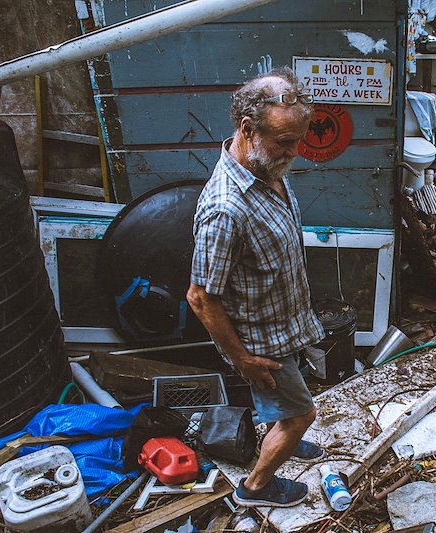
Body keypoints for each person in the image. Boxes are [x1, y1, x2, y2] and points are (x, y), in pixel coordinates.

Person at [187, 67, 324, 508]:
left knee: (287, 411)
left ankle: (282, 433)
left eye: (297, 139)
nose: (295, 151)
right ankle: (256, 487)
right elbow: (200, 297)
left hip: (285, 322)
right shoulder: (226, 208)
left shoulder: (266, 166)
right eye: (285, 141)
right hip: (262, 342)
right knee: (303, 413)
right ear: (247, 129)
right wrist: (241, 359)